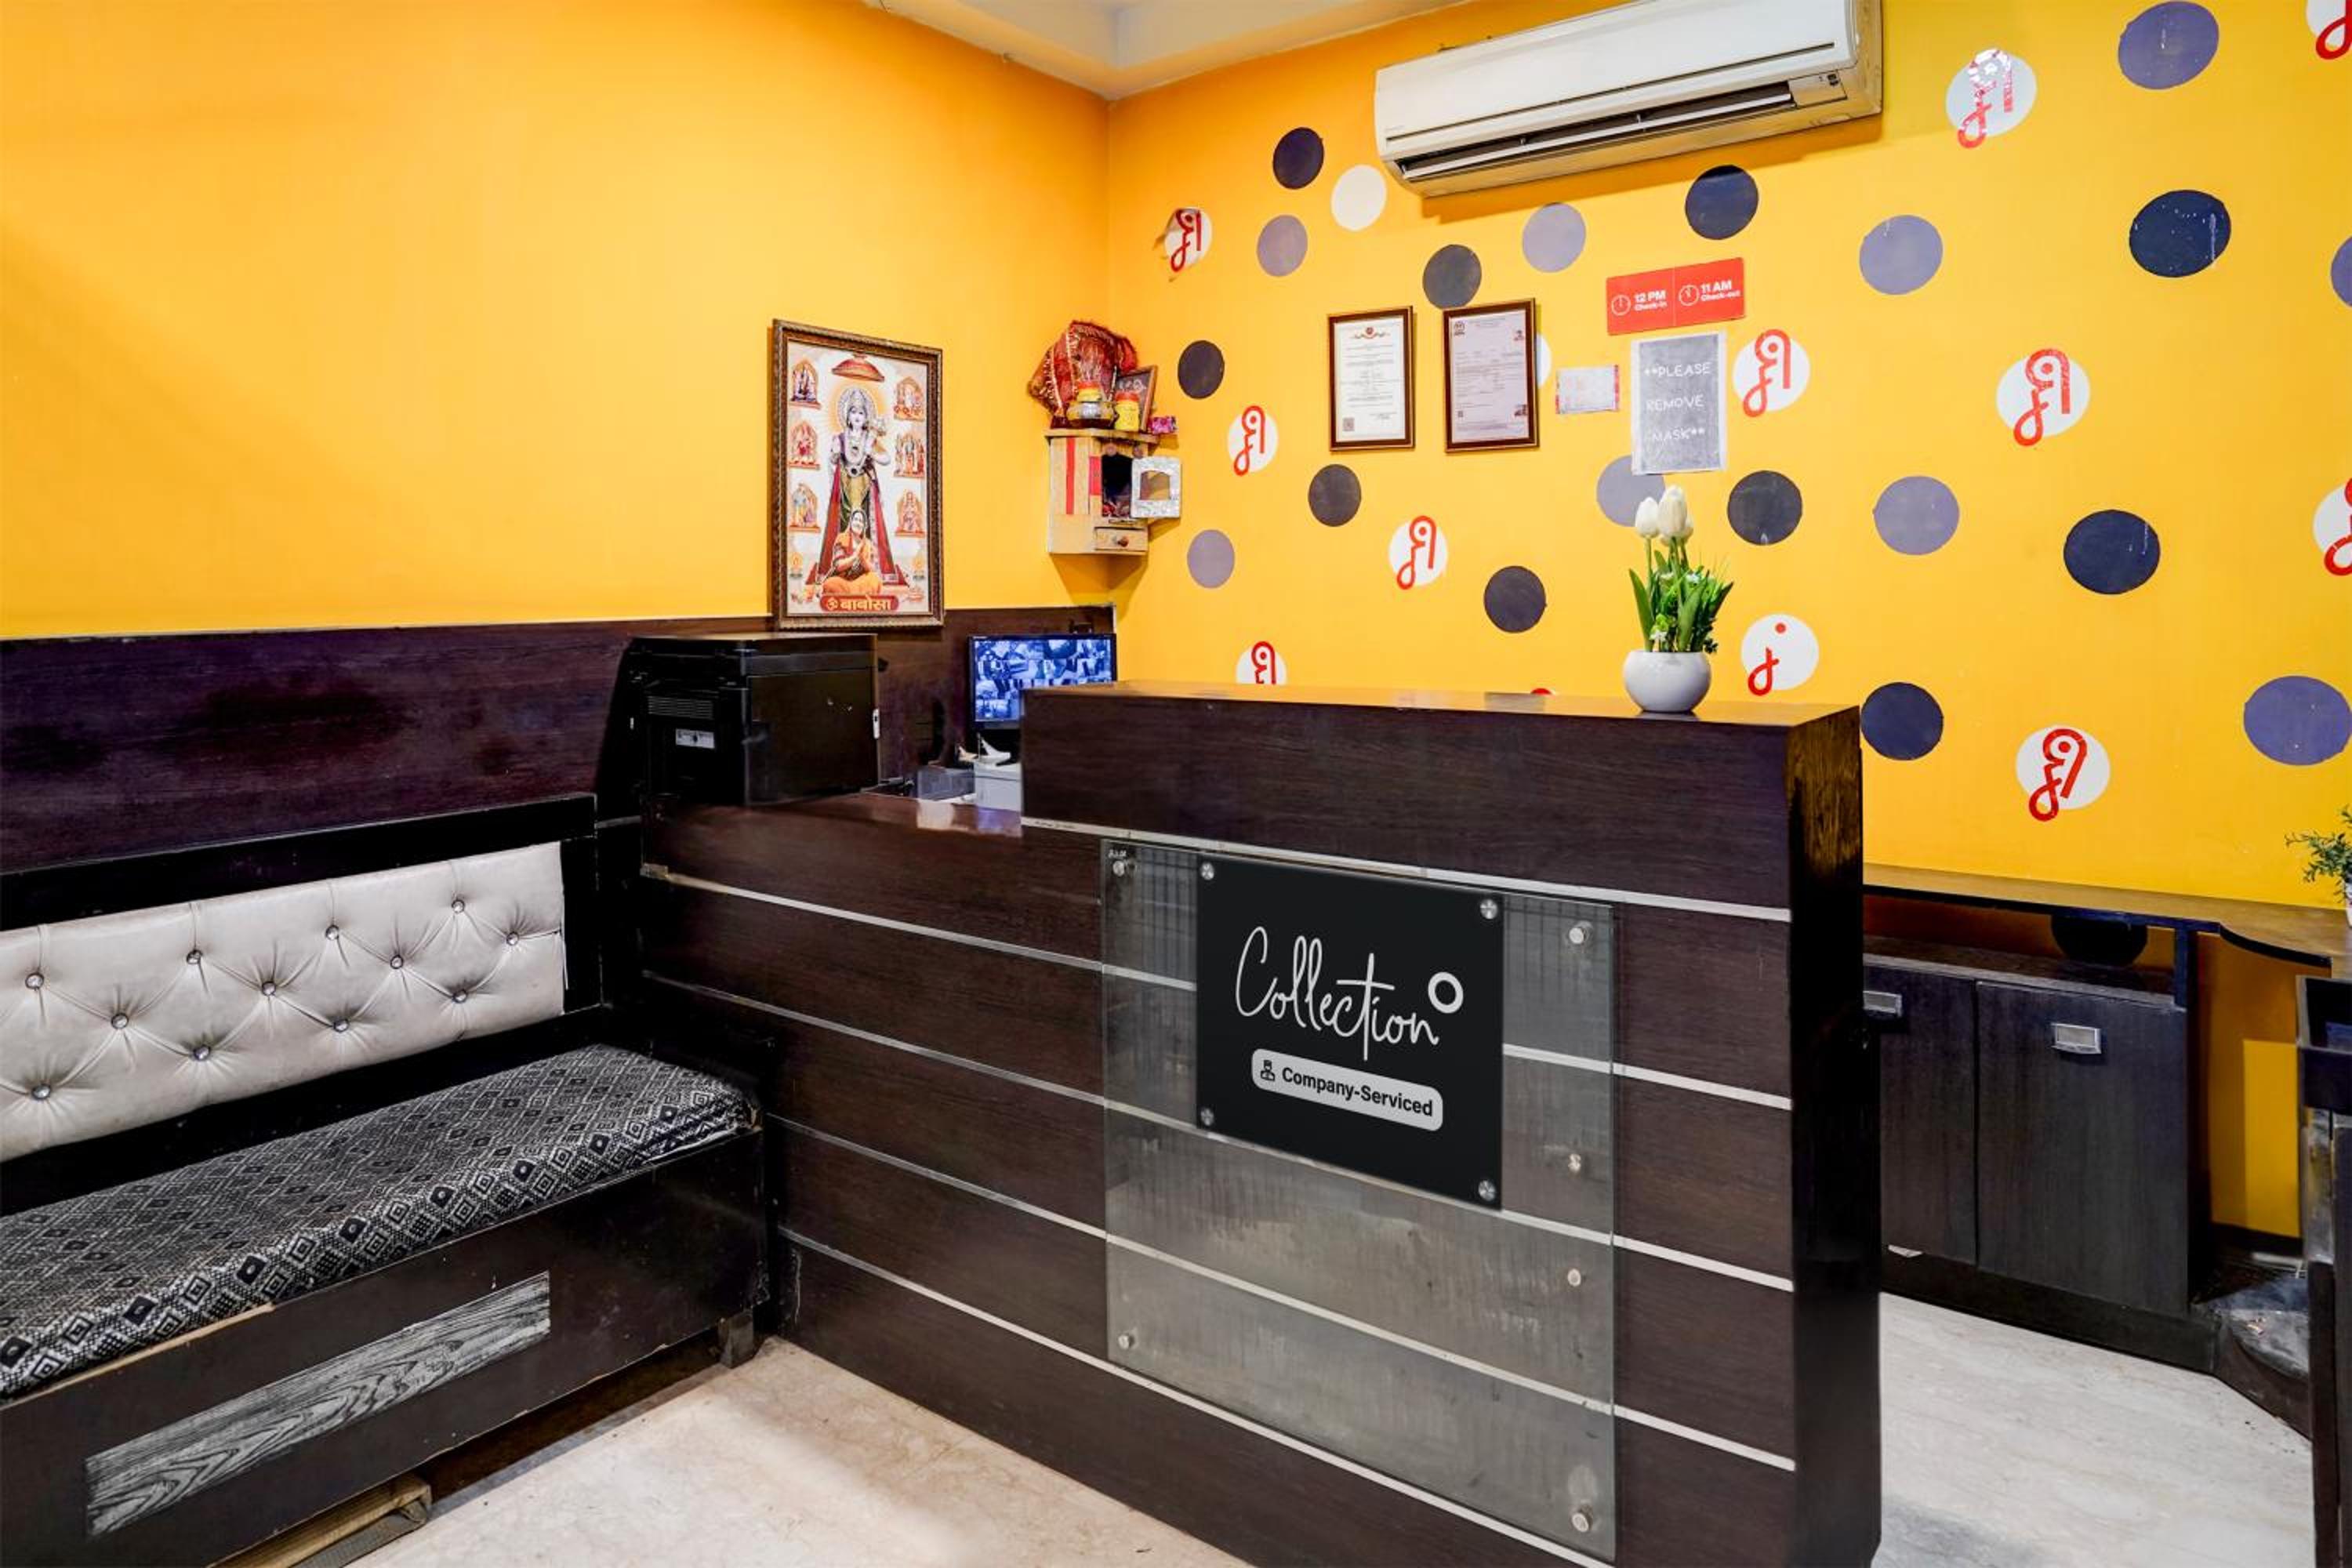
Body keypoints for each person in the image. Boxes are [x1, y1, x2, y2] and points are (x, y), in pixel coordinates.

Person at [806, 387, 905, 596]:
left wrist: (872, 453)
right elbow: (832, 461)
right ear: (847, 416)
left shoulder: (870, 438)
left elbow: (887, 459)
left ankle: (866, 564)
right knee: (845, 521)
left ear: (866, 417)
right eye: (853, 412)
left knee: (864, 522)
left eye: (861, 412)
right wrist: (834, 456)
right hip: (845, 485)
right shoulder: (840, 438)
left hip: (865, 484)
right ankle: (844, 565)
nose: (857, 416)